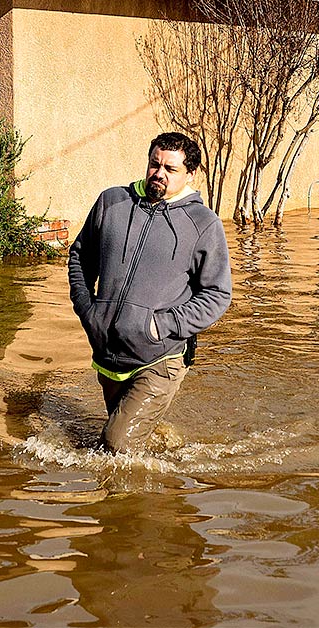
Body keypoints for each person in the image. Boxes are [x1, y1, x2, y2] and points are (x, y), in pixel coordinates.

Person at [67, 131, 232, 454]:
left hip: (161, 355)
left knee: (116, 445)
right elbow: (80, 257)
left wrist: (161, 326)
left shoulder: (203, 223)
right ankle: (160, 445)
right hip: (108, 353)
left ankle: (134, 502)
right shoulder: (112, 202)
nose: (159, 173)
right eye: (155, 164)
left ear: (190, 174)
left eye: (171, 169)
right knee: (121, 434)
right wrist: (88, 311)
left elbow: (217, 294)